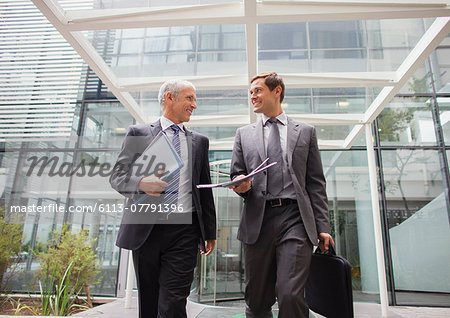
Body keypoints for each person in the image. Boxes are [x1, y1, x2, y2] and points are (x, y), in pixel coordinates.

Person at [230, 72, 334, 318]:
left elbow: (315, 183)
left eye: (257, 90)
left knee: (290, 294)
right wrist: (240, 184)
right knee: (257, 299)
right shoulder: (243, 134)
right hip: (259, 219)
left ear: (277, 91)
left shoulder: (305, 132)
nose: (253, 96)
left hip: (295, 218)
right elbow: (237, 173)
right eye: (251, 92)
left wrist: (323, 225)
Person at [109, 79, 216, 318]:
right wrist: (141, 184)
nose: (194, 105)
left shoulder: (200, 142)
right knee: (149, 300)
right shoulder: (138, 133)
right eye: (189, 98)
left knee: (173, 302)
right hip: (147, 230)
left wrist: (210, 231)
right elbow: (117, 176)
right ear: (170, 97)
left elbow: (204, 188)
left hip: (185, 231)